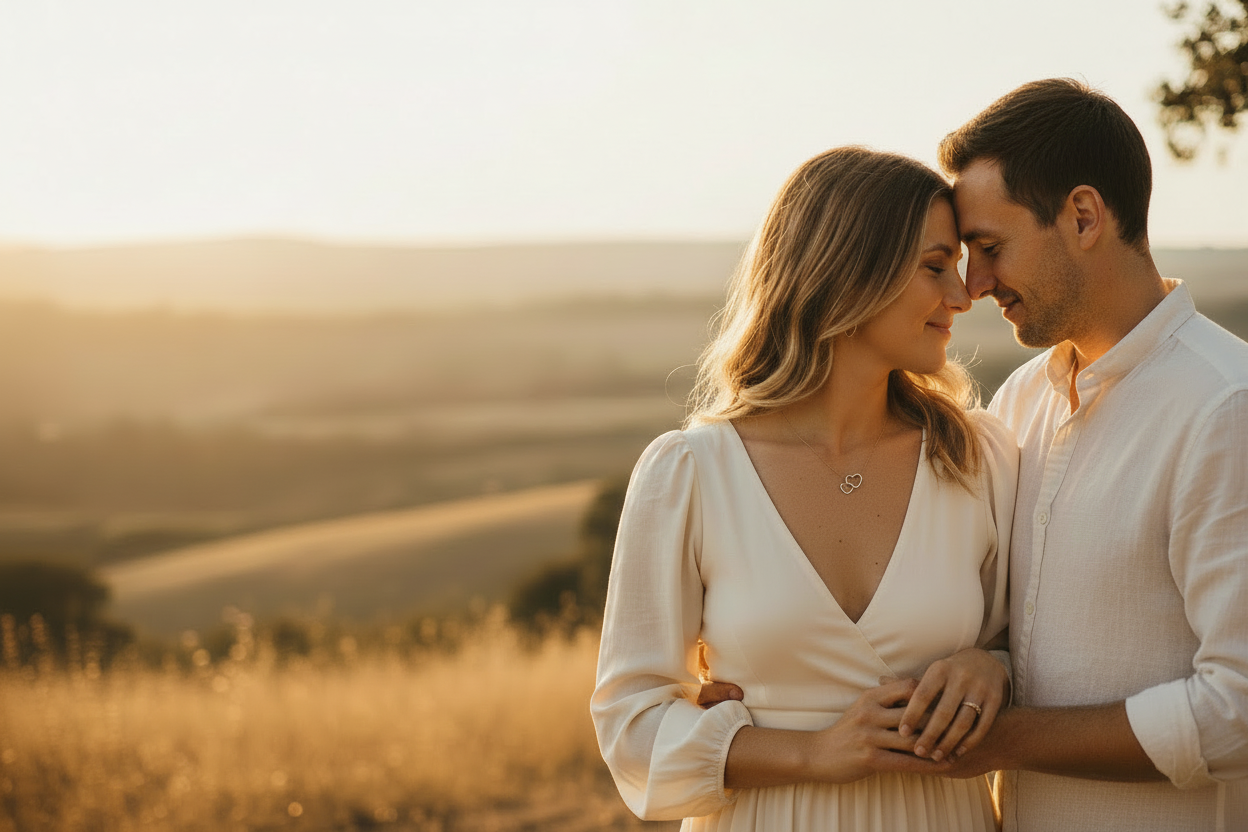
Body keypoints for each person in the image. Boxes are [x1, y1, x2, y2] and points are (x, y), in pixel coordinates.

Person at [590, 146, 1019, 830]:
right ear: (848, 274)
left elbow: (1034, 647)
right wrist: (811, 752)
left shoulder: (975, 458)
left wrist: (991, 668)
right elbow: (630, 726)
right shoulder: (691, 474)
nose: (963, 297)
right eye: (935, 268)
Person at [922, 78, 1248, 832]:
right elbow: (1011, 630)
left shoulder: (1225, 409)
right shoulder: (1021, 402)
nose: (973, 286)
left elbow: (1237, 709)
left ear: (1082, 215)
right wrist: (987, 664)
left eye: (990, 249)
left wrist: (1002, 741)